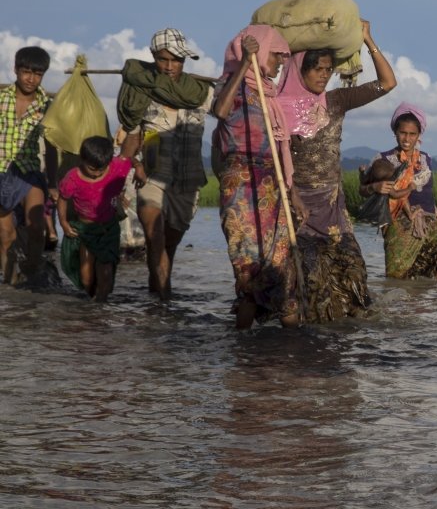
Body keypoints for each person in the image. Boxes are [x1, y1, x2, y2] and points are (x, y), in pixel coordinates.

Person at [281, 19, 397, 322]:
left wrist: (369, 41)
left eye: (328, 69)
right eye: (317, 68)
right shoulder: (279, 107)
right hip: (298, 207)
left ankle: (347, 340)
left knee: (354, 271)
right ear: (299, 68)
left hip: (333, 206)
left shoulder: (337, 101)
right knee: (312, 278)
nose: (324, 75)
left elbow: (387, 83)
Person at [211, 25, 300, 329]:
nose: (280, 64)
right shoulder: (230, 83)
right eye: (276, 56)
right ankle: (242, 353)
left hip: (271, 183)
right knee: (249, 270)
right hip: (241, 184)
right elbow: (221, 111)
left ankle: (291, 352)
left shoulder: (269, 93)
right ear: (261, 51)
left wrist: (291, 191)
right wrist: (245, 64)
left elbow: (279, 146)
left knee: (282, 267)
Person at [117, 27, 215, 300]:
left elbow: (228, 111)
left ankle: (156, 296)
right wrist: (120, 175)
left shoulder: (201, 93)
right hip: (152, 178)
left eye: (177, 60)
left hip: (188, 181)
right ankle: (164, 306)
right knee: (155, 240)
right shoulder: (140, 93)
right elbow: (133, 138)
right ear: (153, 57)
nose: (170, 66)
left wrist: (242, 67)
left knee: (168, 247)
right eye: (163, 59)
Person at [361, 102, 437, 279]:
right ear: (395, 132)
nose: (407, 139)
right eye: (403, 133)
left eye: (412, 134)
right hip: (399, 225)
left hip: (430, 223)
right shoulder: (382, 159)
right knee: (401, 279)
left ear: (419, 135)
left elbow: (428, 193)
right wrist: (375, 187)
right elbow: (362, 189)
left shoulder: (426, 159)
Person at [56, 136, 144, 301]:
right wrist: (63, 222)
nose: (96, 173)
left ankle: (101, 310)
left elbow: (129, 157)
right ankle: (92, 310)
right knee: (86, 278)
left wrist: (139, 168)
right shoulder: (72, 178)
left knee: (105, 274)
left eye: (101, 169)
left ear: (109, 162)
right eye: (92, 168)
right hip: (85, 230)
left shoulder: (116, 167)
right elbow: (62, 198)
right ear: (82, 160)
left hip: (108, 229)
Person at [0, 46, 57, 286]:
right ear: (16, 70)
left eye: (37, 74)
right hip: (1, 170)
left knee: (36, 228)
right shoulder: (2, 99)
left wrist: (53, 184)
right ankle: (9, 281)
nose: (31, 79)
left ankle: (31, 275)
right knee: (5, 235)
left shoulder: (48, 105)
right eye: (26, 72)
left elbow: (53, 145)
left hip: (30, 171)